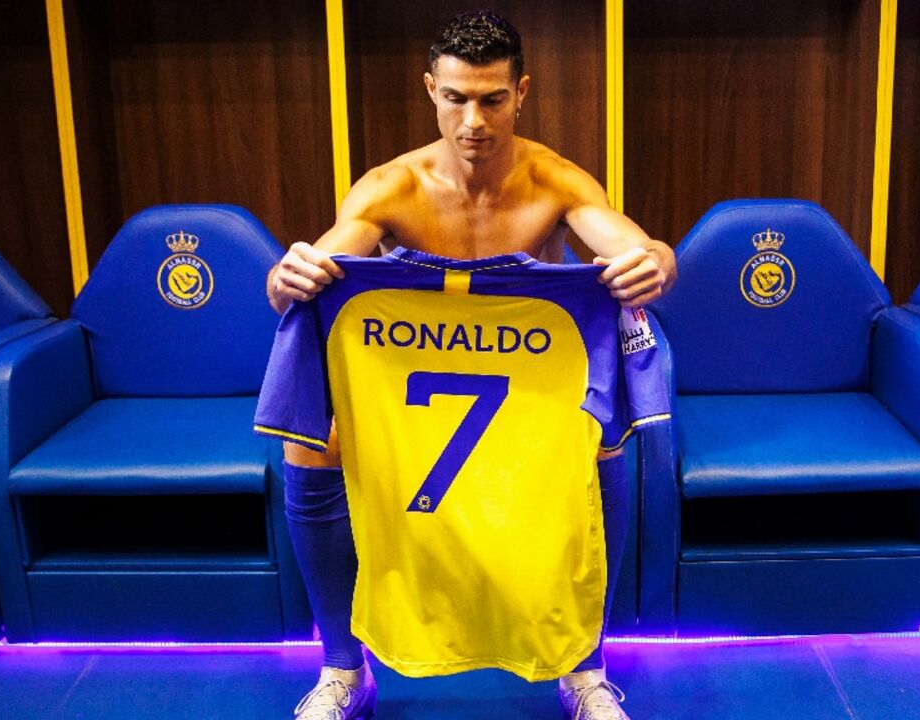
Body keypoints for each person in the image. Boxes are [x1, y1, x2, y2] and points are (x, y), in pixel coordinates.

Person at [267, 11, 676, 720]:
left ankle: (583, 666)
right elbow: (321, 264)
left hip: (527, 389)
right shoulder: (391, 187)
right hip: (414, 389)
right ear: (431, 89)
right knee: (311, 451)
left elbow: (638, 248)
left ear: (522, 92)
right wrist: (287, 278)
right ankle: (343, 669)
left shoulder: (556, 180)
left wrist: (657, 263)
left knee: (603, 440)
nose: (474, 120)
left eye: (491, 98)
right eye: (456, 98)